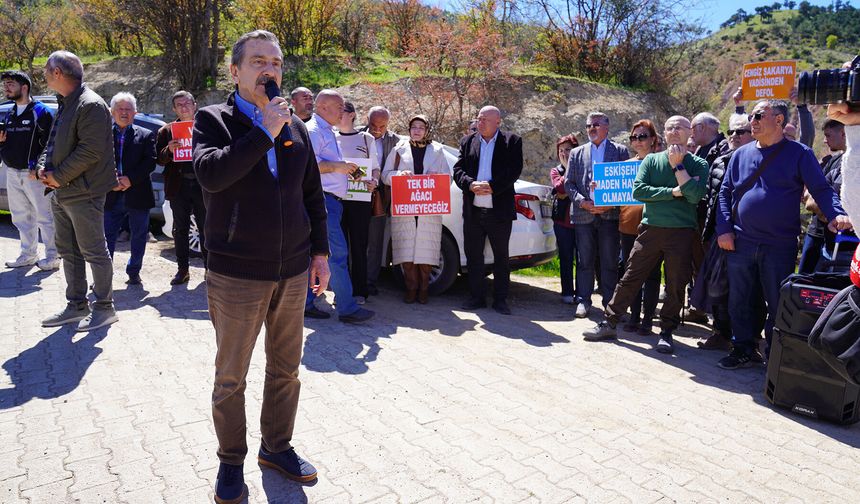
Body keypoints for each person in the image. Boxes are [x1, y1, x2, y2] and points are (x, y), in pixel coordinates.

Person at [193, 30, 330, 502]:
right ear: (235, 71)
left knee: (286, 369)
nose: (268, 69)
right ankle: (231, 462)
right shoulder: (213, 120)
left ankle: (277, 448)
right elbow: (212, 176)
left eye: (274, 62)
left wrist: (320, 253)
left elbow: (311, 194)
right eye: (257, 61)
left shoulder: (294, 126)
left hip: (291, 271)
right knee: (231, 376)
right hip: (236, 273)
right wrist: (262, 132)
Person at [716, 99, 851, 370]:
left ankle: (775, 355)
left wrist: (836, 213)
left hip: (779, 245)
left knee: (777, 302)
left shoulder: (800, 154)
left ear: (779, 120)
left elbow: (821, 189)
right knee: (740, 299)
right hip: (741, 241)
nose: (751, 121)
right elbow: (725, 192)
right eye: (751, 116)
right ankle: (743, 348)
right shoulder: (741, 154)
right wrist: (724, 229)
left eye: (758, 116)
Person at [583, 116, 708, 354]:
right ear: (664, 132)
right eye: (669, 127)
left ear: (689, 131)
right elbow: (639, 191)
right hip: (650, 229)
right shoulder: (650, 160)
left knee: (675, 285)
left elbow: (693, 195)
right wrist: (673, 191)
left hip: (681, 233)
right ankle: (609, 323)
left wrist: (678, 165)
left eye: (679, 127)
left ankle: (667, 333)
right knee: (630, 277)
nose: (673, 131)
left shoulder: (698, 164)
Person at [38, 51, 118, 332]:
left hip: (84, 192)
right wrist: (41, 168)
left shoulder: (91, 104)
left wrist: (57, 176)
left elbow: (91, 151)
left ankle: (105, 308)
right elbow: (53, 142)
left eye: (46, 69)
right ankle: (76, 305)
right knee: (68, 251)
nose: (44, 74)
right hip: (61, 191)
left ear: (58, 72)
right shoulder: (66, 102)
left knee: (94, 251)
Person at [304, 89, 374, 323]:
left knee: (319, 254)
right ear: (322, 107)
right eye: (339, 107)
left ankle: (306, 303)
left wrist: (344, 170)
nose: (343, 111)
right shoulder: (315, 131)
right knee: (337, 254)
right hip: (324, 201)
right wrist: (339, 167)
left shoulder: (325, 130)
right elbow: (309, 165)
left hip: (330, 201)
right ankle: (347, 308)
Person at [696, 113, 760, 351]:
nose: (734, 136)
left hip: (746, 236)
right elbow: (713, 199)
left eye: (740, 132)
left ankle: (749, 339)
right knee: (717, 288)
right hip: (717, 234)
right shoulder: (720, 160)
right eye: (732, 131)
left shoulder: (758, 161)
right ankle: (722, 333)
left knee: (747, 290)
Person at [453, 105, 523, 315]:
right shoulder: (468, 141)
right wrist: (470, 184)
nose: (480, 122)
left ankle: (500, 300)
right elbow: (458, 169)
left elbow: (514, 170)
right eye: (479, 118)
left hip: (499, 210)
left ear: (497, 122)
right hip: (473, 210)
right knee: (474, 256)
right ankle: (476, 297)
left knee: (501, 257)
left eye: (484, 119)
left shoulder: (512, 141)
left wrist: (493, 186)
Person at [564, 112, 629, 318]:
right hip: (584, 215)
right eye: (588, 125)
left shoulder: (619, 151)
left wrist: (610, 205)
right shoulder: (576, 153)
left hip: (609, 216)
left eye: (596, 125)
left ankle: (610, 303)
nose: (591, 128)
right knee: (585, 261)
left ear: (607, 127)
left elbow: (625, 184)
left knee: (610, 261)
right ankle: (584, 300)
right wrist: (582, 201)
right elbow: (569, 183)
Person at [382, 114, 449, 304]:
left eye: (421, 127)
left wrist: (437, 178)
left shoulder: (437, 150)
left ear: (427, 130)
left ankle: (424, 289)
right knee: (406, 250)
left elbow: (448, 178)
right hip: (405, 208)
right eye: (414, 127)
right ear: (409, 130)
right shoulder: (398, 150)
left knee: (426, 251)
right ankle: (411, 288)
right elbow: (385, 176)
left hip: (428, 207)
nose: (417, 130)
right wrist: (398, 174)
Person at [0, 70, 58, 271]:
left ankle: (53, 257)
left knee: (45, 216)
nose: (6, 87)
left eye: (11, 83)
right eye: (5, 84)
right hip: (12, 172)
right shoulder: (10, 113)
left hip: (34, 174)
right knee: (20, 217)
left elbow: (50, 143)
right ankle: (28, 255)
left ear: (24, 87)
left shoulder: (40, 112)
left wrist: (38, 167)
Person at [103, 92, 156, 285]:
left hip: (138, 193)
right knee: (107, 236)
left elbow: (150, 162)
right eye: (120, 109)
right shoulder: (101, 135)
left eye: (128, 109)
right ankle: (104, 276)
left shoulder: (146, 134)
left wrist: (130, 179)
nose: (124, 113)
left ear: (135, 112)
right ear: (111, 112)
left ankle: (134, 272)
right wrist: (112, 180)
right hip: (110, 194)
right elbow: (96, 162)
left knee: (139, 235)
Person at [156, 90, 207, 285]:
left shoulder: (206, 127)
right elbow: (159, 159)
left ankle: (208, 269)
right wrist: (168, 150)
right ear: (174, 109)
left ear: (195, 105)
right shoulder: (166, 130)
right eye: (179, 105)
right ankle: (182, 270)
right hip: (179, 186)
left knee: (206, 228)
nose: (184, 107)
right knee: (181, 229)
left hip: (203, 185)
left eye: (187, 103)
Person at [618, 120, 662, 335]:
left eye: (642, 136)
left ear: (653, 139)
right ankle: (634, 316)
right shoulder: (625, 165)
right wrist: (598, 188)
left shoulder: (661, 164)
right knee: (631, 273)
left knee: (652, 275)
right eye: (634, 137)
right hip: (628, 227)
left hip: (653, 227)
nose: (637, 141)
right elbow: (614, 194)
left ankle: (648, 319)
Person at [337, 101, 378, 304]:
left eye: (341, 111)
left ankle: (359, 291)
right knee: (339, 248)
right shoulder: (330, 137)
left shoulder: (366, 138)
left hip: (360, 200)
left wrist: (374, 181)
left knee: (359, 246)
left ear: (352, 115)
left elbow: (375, 168)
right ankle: (342, 292)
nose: (338, 114)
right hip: (336, 199)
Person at [799, 119, 846, 273]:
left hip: (843, 244)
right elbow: (811, 196)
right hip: (819, 233)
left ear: (844, 133)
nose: (825, 141)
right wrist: (832, 212)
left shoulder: (850, 165)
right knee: (805, 279)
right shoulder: (832, 162)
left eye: (828, 135)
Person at [363, 106, 401, 296]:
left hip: (380, 198)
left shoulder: (397, 142)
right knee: (355, 241)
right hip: (355, 196)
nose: (377, 130)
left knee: (375, 242)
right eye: (373, 125)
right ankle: (354, 280)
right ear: (366, 120)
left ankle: (370, 282)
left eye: (382, 126)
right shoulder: (356, 135)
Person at [549, 134, 579, 304]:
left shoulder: (583, 167)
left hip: (581, 221)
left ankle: (582, 293)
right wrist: (568, 170)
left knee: (583, 260)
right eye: (561, 150)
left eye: (568, 150)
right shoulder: (555, 171)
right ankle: (567, 292)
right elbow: (559, 187)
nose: (564, 153)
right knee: (566, 258)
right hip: (562, 222)